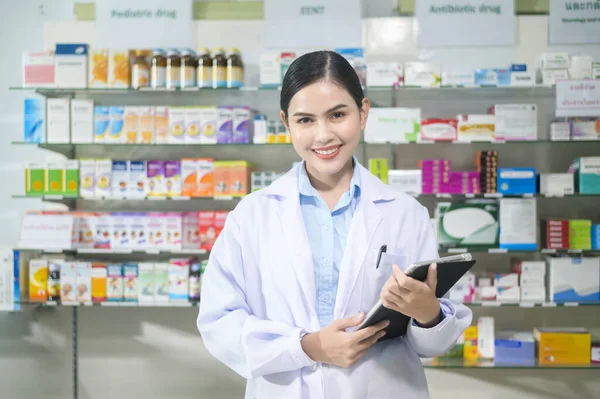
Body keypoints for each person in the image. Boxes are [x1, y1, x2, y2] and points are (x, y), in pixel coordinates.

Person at [197, 50, 472, 399]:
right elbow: (218, 323)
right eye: (305, 120)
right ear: (286, 123)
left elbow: (434, 341)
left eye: (337, 115)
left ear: (363, 112)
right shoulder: (252, 216)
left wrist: (427, 313)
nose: (323, 135)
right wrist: (308, 346)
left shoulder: (406, 213)